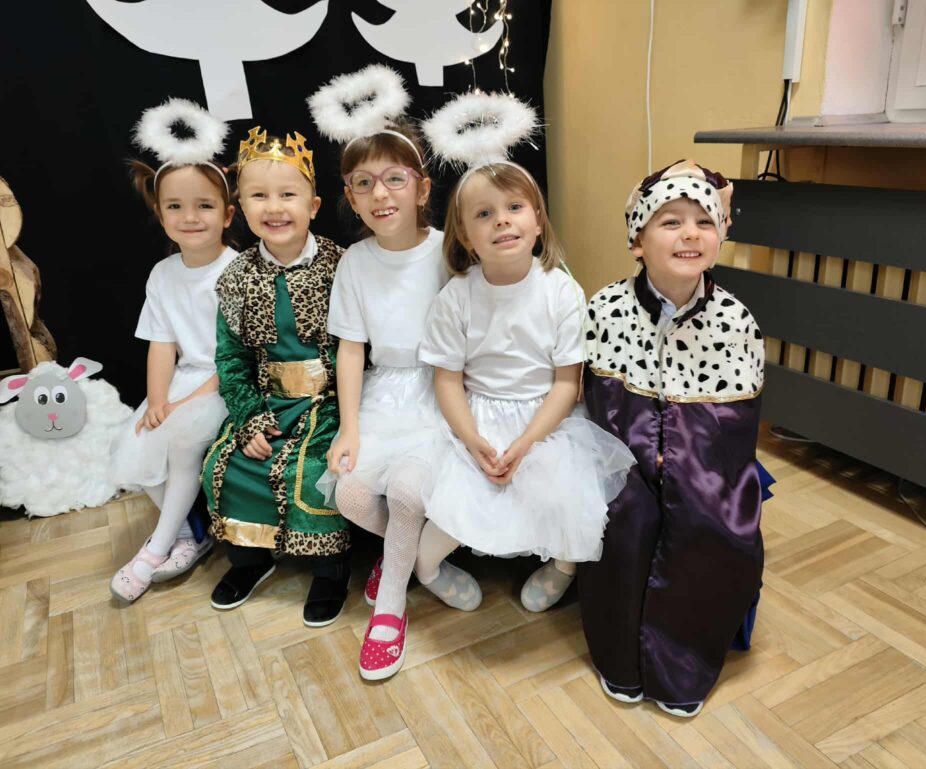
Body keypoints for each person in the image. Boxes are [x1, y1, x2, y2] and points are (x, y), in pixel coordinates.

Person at [414, 92, 635, 616]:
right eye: (484, 214)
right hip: (478, 416)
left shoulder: (560, 291)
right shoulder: (457, 297)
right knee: (455, 504)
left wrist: (528, 442)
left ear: (537, 221)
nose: (502, 221)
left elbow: (567, 382)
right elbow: (448, 380)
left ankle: (562, 567)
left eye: (514, 208)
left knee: (569, 499)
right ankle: (427, 568)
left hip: (546, 419)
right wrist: (474, 440)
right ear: (465, 235)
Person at [307, 64, 481, 680]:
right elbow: (351, 350)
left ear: (422, 187)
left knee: (409, 492)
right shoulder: (355, 262)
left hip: (442, 391)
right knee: (351, 493)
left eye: (394, 179)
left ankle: (390, 607)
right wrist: (349, 427)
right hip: (385, 394)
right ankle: (403, 556)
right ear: (350, 197)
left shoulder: (449, 251)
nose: (380, 194)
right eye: (364, 183)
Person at [578, 159, 766, 717]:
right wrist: (647, 458)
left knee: (712, 523)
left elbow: (732, 428)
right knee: (627, 516)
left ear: (720, 236)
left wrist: (680, 464)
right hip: (622, 457)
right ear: (637, 241)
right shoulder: (607, 309)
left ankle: (681, 669)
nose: (690, 234)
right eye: (671, 222)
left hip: (706, 463)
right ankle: (621, 661)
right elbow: (599, 408)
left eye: (704, 222)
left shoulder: (735, 320)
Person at [200, 127, 350, 627]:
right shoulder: (236, 277)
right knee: (226, 463)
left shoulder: (341, 267)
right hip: (267, 401)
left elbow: (359, 351)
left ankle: (331, 570)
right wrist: (249, 417)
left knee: (312, 471)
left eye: (288, 194)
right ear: (241, 207)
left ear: (313, 205)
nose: (275, 207)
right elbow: (230, 360)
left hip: (330, 401)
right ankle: (250, 560)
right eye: (259, 196)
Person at [109, 99, 237, 602]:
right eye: (176, 207)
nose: (190, 217)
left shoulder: (237, 270)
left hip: (226, 382)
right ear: (160, 214)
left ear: (227, 214)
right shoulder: (162, 274)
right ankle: (189, 534)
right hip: (184, 379)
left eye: (204, 206)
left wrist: (188, 402)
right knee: (137, 440)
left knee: (183, 442)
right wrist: (158, 400)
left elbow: (238, 355)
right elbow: (162, 344)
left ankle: (154, 549)